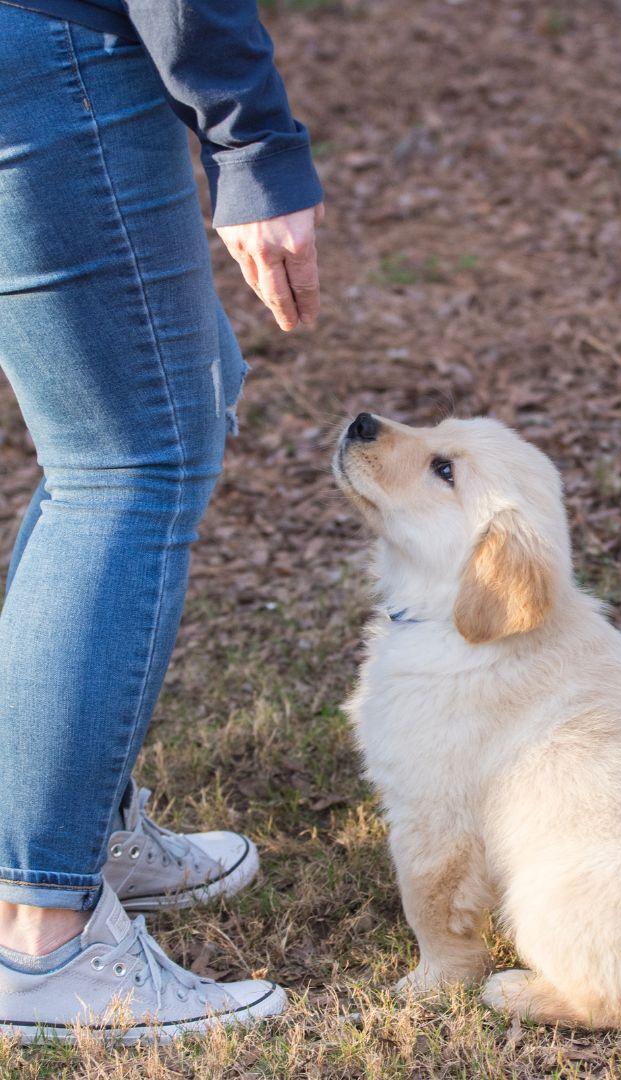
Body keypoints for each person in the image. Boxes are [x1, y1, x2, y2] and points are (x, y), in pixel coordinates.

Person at [0, 0, 323, 1042]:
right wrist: (252, 139)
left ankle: (65, 830)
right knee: (124, 467)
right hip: (52, 52)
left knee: (164, 402)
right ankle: (42, 937)